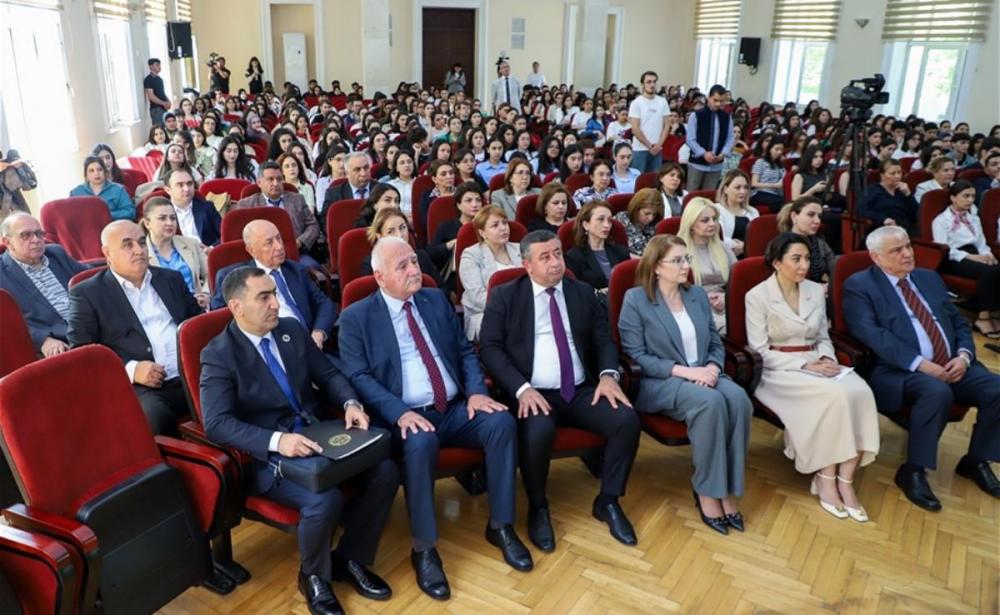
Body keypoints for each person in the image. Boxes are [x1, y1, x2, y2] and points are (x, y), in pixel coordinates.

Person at [339, 236, 530, 600]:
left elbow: (464, 351)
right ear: (380, 277)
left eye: (414, 261)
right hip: (406, 416)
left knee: (501, 423)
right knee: (421, 442)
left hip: (455, 408)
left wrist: (477, 392)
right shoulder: (356, 317)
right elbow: (358, 376)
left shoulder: (435, 299)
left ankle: (501, 526)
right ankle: (424, 549)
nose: (415, 270)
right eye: (403, 266)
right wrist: (400, 413)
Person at [201, 266, 398, 615]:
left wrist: (350, 404)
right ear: (236, 307)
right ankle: (313, 576)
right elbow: (216, 424)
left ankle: (349, 558)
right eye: (264, 297)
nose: (276, 304)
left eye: (275, 294)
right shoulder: (219, 354)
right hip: (268, 457)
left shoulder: (290, 330)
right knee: (324, 499)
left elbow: (329, 374)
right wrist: (278, 441)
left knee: (385, 470)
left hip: (317, 434)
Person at [479, 230, 642, 549]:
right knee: (537, 431)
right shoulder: (505, 296)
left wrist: (608, 376)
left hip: (581, 389)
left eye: (558, 253)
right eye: (545, 257)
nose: (555, 262)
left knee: (626, 420)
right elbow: (489, 348)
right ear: (527, 265)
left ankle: (608, 500)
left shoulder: (582, 292)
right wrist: (521, 389)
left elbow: (603, 341)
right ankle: (538, 506)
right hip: (535, 392)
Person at [843, 226, 1000, 509]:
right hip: (899, 371)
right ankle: (913, 470)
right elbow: (872, 334)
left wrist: (964, 356)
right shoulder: (860, 285)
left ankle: (976, 460)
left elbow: (958, 322)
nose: (907, 254)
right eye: (897, 250)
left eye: (908, 246)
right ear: (876, 257)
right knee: (936, 392)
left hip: (953, 364)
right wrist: (921, 364)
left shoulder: (928, 277)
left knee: (996, 389)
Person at [619, 235, 752, 534]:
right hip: (661, 381)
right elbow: (635, 356)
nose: (685, 266)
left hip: (705, 372)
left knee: (739, 400)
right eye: (677, 260)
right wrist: (688, 373)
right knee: (711, 403)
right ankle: (707, 490)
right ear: (656, 266)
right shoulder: (636, 299)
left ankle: (728, 489)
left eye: (686, 259)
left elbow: (715, 342)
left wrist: (713, 367)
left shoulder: (697, 295)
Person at [746, 233, 879, 521]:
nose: (804, 265)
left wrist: (827, 359)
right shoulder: (757, 296)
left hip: (817, 360)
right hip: (779, 371)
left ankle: (846, 479)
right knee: (834, 397)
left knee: (861, 392)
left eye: (807, 258)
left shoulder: (815, 291)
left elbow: (822, 337)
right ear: (776, 262)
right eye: (796, 259)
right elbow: (759, 350)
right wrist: (806, 366)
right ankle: (826, 477)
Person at [68, 220, 202, 435]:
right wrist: (130, 369)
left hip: (192, 373)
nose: (139, 250)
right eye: (127, 245)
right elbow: (82, 353)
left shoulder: (170, 279)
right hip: (145, 387)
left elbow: (197, 325)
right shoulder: (87, 294)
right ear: (107, 253)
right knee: (155, 416)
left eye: (141, 242)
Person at [210, 220, 335, 350]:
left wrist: (318, 333)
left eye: (279, 238)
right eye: (269, 243)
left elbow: (324, 303)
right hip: (269, 352)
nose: (279, 247)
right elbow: (222, 322)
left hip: (311, 345)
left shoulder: (296, 270)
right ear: (252, 250)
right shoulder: (233, 278)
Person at [0, 213, 87, 356]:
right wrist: (41, 340)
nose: (36, 240)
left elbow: (89, 278)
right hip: (57, 342)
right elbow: (5, 322)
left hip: (89, 326)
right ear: (7, 242)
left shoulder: (56, 253)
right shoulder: (2, 274)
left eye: (39, 233)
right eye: (26, 235)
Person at [931, 180, 1000, 337]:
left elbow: (981, 243)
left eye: (973, 197)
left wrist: (988, 255)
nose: (970, 200)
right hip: (953, 257)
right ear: (953, 198)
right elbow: (943, 248)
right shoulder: (941, 220)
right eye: (966, 196)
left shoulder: (973, 218)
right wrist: (972, 257)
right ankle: (983, 318)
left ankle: (989, 309)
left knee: (995, 267)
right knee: (989, 272)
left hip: (974, 253)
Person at [232, 161, 322, 264]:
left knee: (311, 267)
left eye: (279, 179)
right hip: (262, 257)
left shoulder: (297, 199)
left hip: (296, 254)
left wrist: (299, 242)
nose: (276, 183)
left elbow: (313, 225)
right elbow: (240, 235)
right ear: (259, 182)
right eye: (270, 179)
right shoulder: (246, 205)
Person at [459, 206, 522, 341]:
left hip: (523, 311)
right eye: (495, 225)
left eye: (505, 223)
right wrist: (512, 309)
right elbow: (477, 297)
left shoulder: (520, 249)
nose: (503, 228)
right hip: (486, 314)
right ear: (482, 232)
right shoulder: (471, 255)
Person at [678, 198, 735, 334]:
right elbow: (673, 290)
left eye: (714, 219)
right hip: (694, 307)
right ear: (691, 224)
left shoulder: (722, 247)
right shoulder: (678, 251)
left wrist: (726, 296)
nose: (712, 224)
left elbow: (739, 280)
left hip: (726, 304)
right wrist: (704, 298)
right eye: (705, 220)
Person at [141, 197, 209, 308]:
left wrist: (206, 295)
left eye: (173, 218)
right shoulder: (140, 254)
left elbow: (209, 274)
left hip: (197, 306)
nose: (170, 223)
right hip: (164, 310)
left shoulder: (191, 244)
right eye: (162, 218)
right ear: (147, 223)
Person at [358, 207, 444, 288]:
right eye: (391, 231)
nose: (399, 235)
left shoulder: (421, 256)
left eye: (402, 228)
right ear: (380, 237)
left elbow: (443, 290)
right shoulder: (371, 264)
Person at [565, 201, 629, 299]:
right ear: (586, 225)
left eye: (609, 220)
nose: (607, 225)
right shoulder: (574, 257)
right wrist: (599, 292)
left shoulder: (621, 252)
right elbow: (575, 291)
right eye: (600, 219)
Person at [685, 84, 734, 191]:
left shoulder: (727, 117)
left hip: (717, 164)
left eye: (721, 101)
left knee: (709, 195)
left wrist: (723, 153)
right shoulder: (696, 115)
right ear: (708, 97)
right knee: (691, 193)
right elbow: (690, 139)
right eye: (715, 100)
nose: (718, 104)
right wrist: (704, 153)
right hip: (697, 163)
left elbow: (730, 138)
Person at [778, 197, 836, 286]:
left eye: (819, 216)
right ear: (794, 216)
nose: (817, 221)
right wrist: (818, 287)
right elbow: (787, 283)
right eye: (810, 215)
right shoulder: (783, 246)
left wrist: (832, 286)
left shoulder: (819, 243)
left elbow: (834, 269)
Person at [163, 168, 221, 247]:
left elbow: (225, 235)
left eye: (189, 183)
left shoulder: (207, 207)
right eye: (180, 185)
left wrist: (211, 249)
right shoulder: (161, 212)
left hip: (204, 252)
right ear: (168, 190)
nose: (187, 189)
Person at [858, 159, 918, 235]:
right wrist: (883, 219)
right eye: (893, 173)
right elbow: (862, 210)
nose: (897, 176)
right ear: (882, 175)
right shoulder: (871, 190)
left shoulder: (903, 190)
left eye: (899, 172)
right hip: (883, 230)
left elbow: (917, 214)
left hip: (905, 230)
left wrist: (908, 194)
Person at [69, 156, 135, 221]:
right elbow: (70, 216)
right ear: (86, 175)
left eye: (99, 169)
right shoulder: (75, 193)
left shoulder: (118, 190)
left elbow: (131, 212)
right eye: (91, 171)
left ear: (105, 172)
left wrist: (106, 215)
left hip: (112, 226)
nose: (96, 173)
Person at [320, 152, 378, 226]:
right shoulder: (333, 195)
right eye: (357, 170)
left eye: (366, 168)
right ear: (347, 173)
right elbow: (326, 222)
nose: (363, 173)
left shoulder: (381, 190)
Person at [628, 71, 669, 173]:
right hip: (640, 149)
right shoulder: (636, 103)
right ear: (642, 84)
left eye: (654, 82)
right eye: (649, 82)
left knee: (655, 179)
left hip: (657, 149)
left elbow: (667, 125)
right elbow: (635, 129)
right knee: (638, 178)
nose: (652, 85)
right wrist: (650, 146)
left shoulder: (663, 101)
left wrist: (658, 145)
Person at [714, 169, 758, 256]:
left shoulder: (753, 211)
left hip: (750, 255)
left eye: (745, 187)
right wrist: (741, 246)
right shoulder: (716, 210)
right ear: (726, 189)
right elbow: (719, 237)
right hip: (725, 256)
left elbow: (758, 238)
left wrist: (745, 247)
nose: (743, 191)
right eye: (738, 187)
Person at [614, 188, 663, 256]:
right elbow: (615, 250)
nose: (651, 218)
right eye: (646, 213)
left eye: (654, 214)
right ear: (636, 209)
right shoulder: (621, 220)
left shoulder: (655, 224)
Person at [749, 138, 786, 212]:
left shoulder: (780, 165)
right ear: (769, 149)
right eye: (777, 149)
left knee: (786, 202)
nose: (779, 152)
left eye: (781, 150)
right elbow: (754, 183)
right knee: (784, 203)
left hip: (776, 194)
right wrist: (775, 185)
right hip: (761, 193)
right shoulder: (760, 162)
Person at [144, 58, 170, 127]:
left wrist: (168, 101)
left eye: (160, 65)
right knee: (159, 129)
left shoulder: (159, 79)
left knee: (166, 129)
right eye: (157, 65)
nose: (159, 66)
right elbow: (151, 96)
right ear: (150, 66)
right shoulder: (148, 79)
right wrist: (164, 103)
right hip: (156, 110)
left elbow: (162, 93)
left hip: (163, 108)